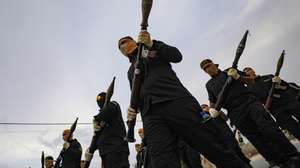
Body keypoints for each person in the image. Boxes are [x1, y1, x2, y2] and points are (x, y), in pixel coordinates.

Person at [118, 32, 250, 168]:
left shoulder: (154, 48)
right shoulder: (130, 72)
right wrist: (133, 109)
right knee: (161, 159)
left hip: (177, 102)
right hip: (151, 116)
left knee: (211, 145)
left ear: (135, 40)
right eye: (120, 45)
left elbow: (176, 56)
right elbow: (136, 95)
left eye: (125, 41)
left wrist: (153, 44)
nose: (123, 45)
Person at [200, 59, 300, 167]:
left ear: (215, 65)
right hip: (234, 112)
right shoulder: (209, 85)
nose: (208, 69)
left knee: (268, 128)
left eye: (209, 66)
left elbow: (251, 81)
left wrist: (238, 77)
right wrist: (212, 109)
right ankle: (275, 160)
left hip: (249, 102)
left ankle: (292, 155)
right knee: (255, 138)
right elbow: (213, 101)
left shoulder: (230, 70)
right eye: (205, 69)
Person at [243, 67, 300, 141]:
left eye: (248, 70)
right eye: (245, 72)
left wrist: (280, 82)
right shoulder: (248, 89)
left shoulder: (268, 77)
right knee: (293, 128)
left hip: (288, 101)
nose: (247, 72)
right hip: (275, 110)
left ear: (253, 70)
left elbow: (286, 87)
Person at [85, 92, 130, 168]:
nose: (99, 103)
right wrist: (90, 150)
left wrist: (98, 119)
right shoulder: (101, 120)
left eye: (101, 100)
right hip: (106, 153)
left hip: (116, 151)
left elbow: (108, 110)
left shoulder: (113, 105)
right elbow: (97, 136)